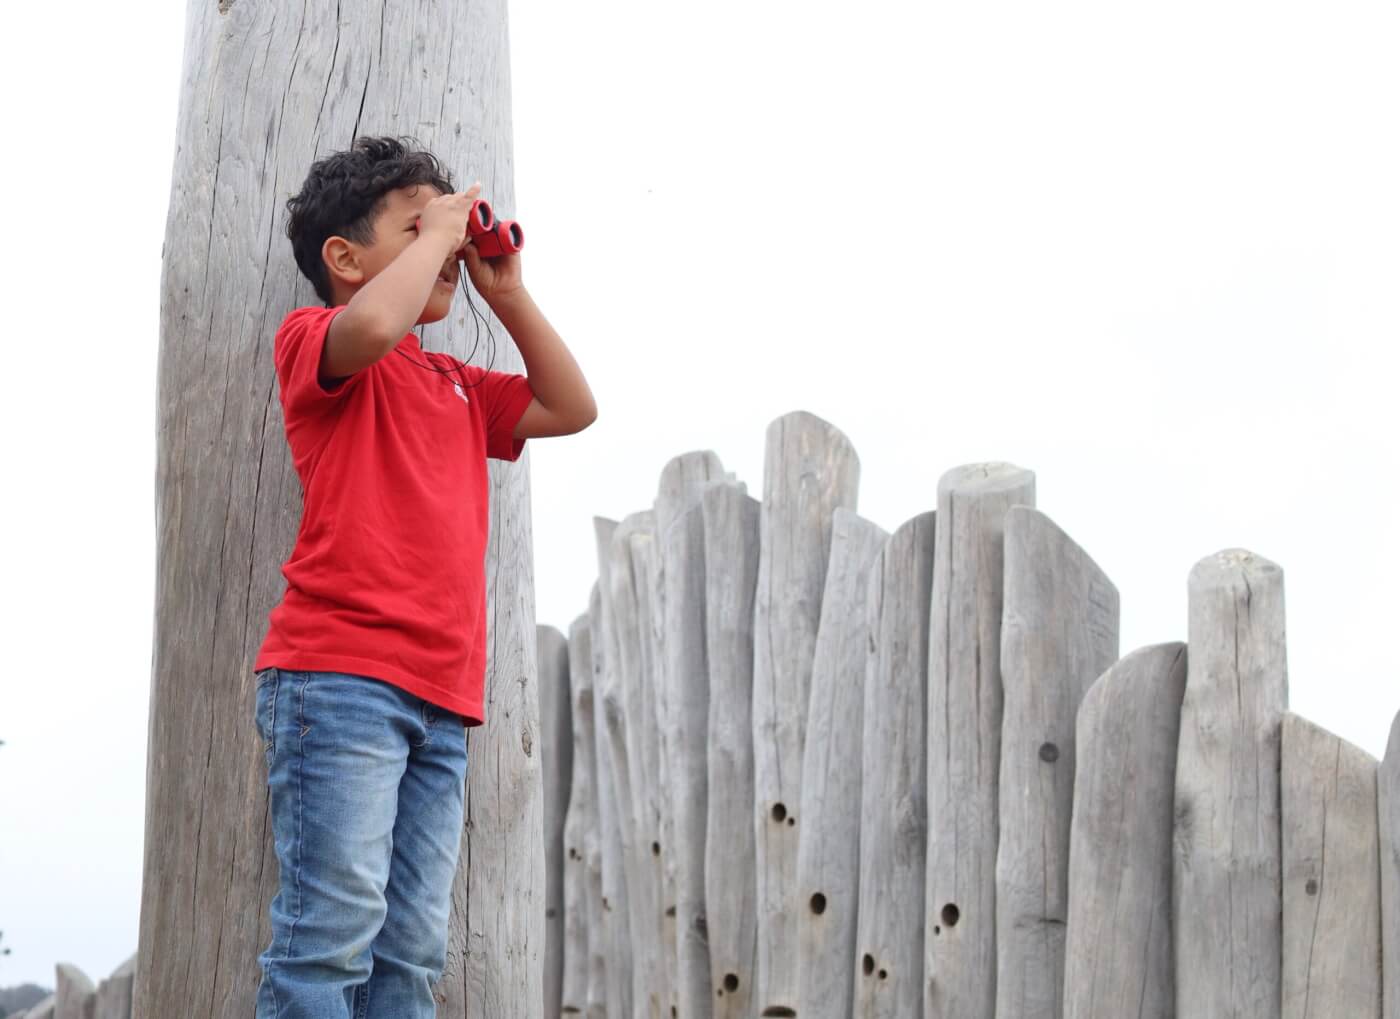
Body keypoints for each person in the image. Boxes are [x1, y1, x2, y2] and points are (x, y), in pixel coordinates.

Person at [249, 134, 596, 1018]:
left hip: (441, 701)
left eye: (448, 227)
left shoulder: (457, 384)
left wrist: (506, 294)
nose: (447, 243)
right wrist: (444, 233)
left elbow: (571, 406)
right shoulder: (317, 340)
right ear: (344, 259)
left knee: (409, 954)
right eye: (417, 227)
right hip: (339, 683)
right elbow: (370, 326)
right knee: (328, 939)